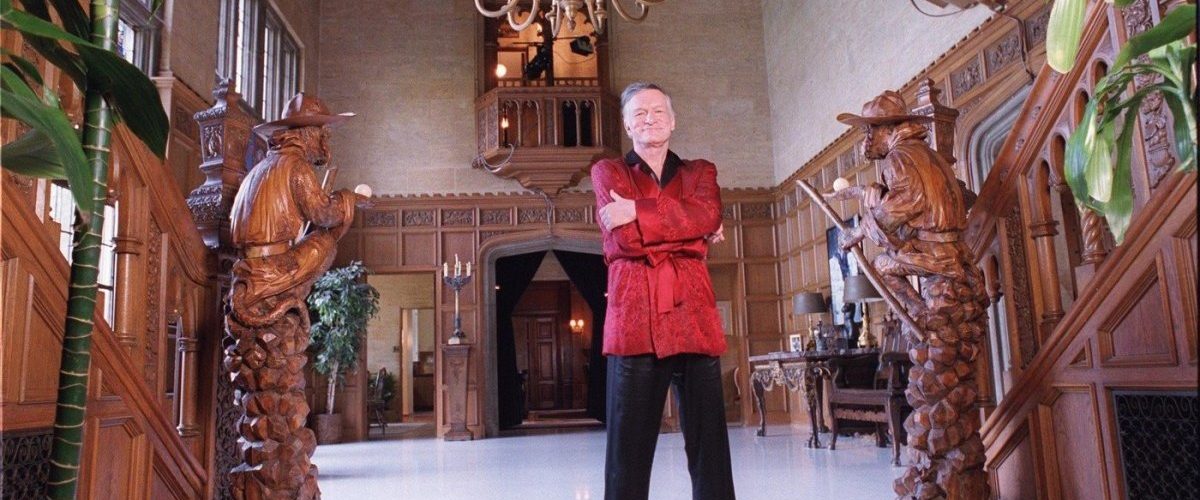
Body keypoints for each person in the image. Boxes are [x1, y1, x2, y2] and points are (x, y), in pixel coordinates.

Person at [592, 82, 735, 500]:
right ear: (626, 125)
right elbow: (623, 242)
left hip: (693, 314)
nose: (649, 119)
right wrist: (692, 237)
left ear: (672, 121)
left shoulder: (700, 172)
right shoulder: (608, 172)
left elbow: (708, 215)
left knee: (710, 446)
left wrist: (636, 210)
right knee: (628, 452)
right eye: (639, 113)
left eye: (657, 111)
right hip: (634, 316)